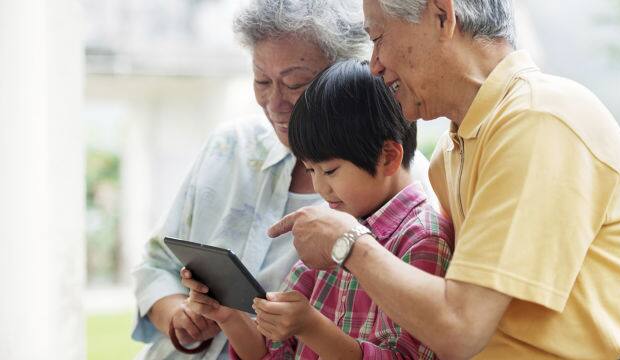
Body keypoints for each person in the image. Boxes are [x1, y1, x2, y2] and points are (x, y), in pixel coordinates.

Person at [268, 0, 620, 359]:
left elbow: (460, 329)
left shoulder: (540, 119)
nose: (374, 66)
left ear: (442, 16)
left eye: (379, 38)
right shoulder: (452, 151)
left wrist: (346, 243)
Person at [130, 0, 434, 359]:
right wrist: (181, 317)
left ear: (346, 77)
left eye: (295, 83)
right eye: (261, 80)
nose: (275, 103)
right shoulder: (229, 146)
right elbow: (156, 266)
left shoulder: (392, 200)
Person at [181, 59, 453, 360]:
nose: (320, 188)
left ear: (388, 157)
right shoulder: (329, 227)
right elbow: (272, 352)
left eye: (330, 170)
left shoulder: (422, 238)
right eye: (310, 170)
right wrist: (228, 315)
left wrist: (311, 327)